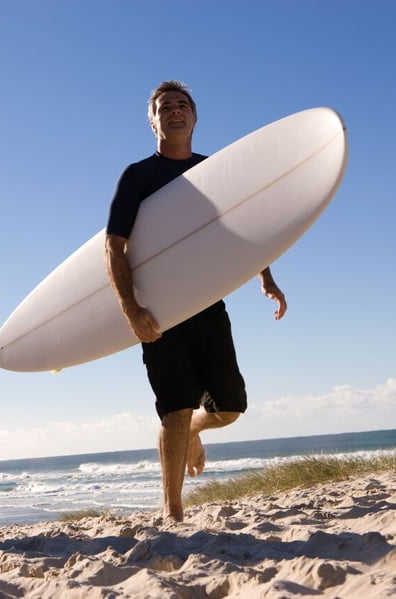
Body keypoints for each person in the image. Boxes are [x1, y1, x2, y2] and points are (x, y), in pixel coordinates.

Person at [104, 81, 287, 523]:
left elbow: (242, 231)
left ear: (195, 116)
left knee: (229, 408)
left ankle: (190, 434)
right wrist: (131, 310)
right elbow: (113, 246)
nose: (175, 111)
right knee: (175, 407)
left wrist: (266, 276)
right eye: (165, 107)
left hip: (207, 304)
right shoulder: (138, 177)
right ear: (153, 121)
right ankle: (173, 510)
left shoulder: (213, 173)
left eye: (182, 105)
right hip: (161, 310)